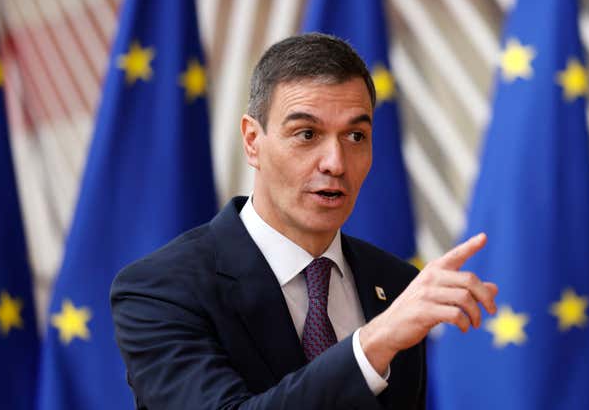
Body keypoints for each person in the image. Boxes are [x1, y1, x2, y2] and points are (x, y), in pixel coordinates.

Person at [110, 33, 498, 409]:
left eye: (356, 136)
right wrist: (372, 345)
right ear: (252, 140)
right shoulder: (160, 289)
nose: (335, 162)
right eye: (307, 134)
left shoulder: (395, 285)